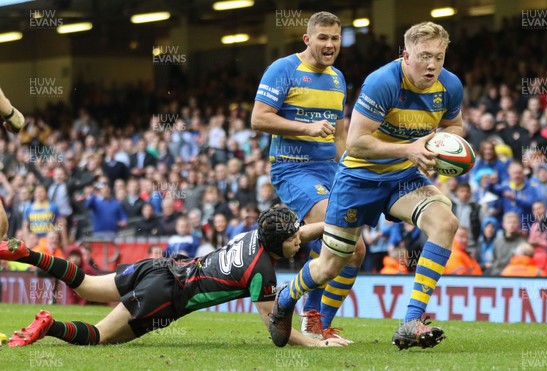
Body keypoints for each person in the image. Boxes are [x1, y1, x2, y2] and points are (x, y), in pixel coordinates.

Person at [268, 21, 463, 350]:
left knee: (446, 222)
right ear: (406, 54)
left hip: (403, 176)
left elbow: (455, 125)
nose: (433, 65)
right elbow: (356, 143)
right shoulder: (383, 82)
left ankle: (410, 321)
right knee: (333, 263)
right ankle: (288, 298)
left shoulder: (450, 86)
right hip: (359, 179)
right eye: (425, 56)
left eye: (440, 57)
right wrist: (410, 149)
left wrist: (444, 145)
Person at [0, 206, 348, 348]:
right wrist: (318, 344)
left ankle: (28, 254)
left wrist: (337, 226)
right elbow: (277, 331)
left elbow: (300, 231)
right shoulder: (262, 273)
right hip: (164, 296)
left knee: (88, 284)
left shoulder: (254, 235)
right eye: (294, 239)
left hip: (159, 267)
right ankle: (49, 326)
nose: (299, 239)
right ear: (279, 243)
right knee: (100, 338)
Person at [251, 11, 364, 340]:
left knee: (356, 250)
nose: (330, 45)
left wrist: (351, 172)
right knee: (335, 227)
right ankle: (303, 309)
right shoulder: (283, 69)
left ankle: (319, 323)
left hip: (331, 170)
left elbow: (340, 135)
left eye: (335, 38)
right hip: (292, 166)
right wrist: (308, 128)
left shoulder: (338, 78)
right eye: (323, 38)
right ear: (308, 39)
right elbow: (259, 119)